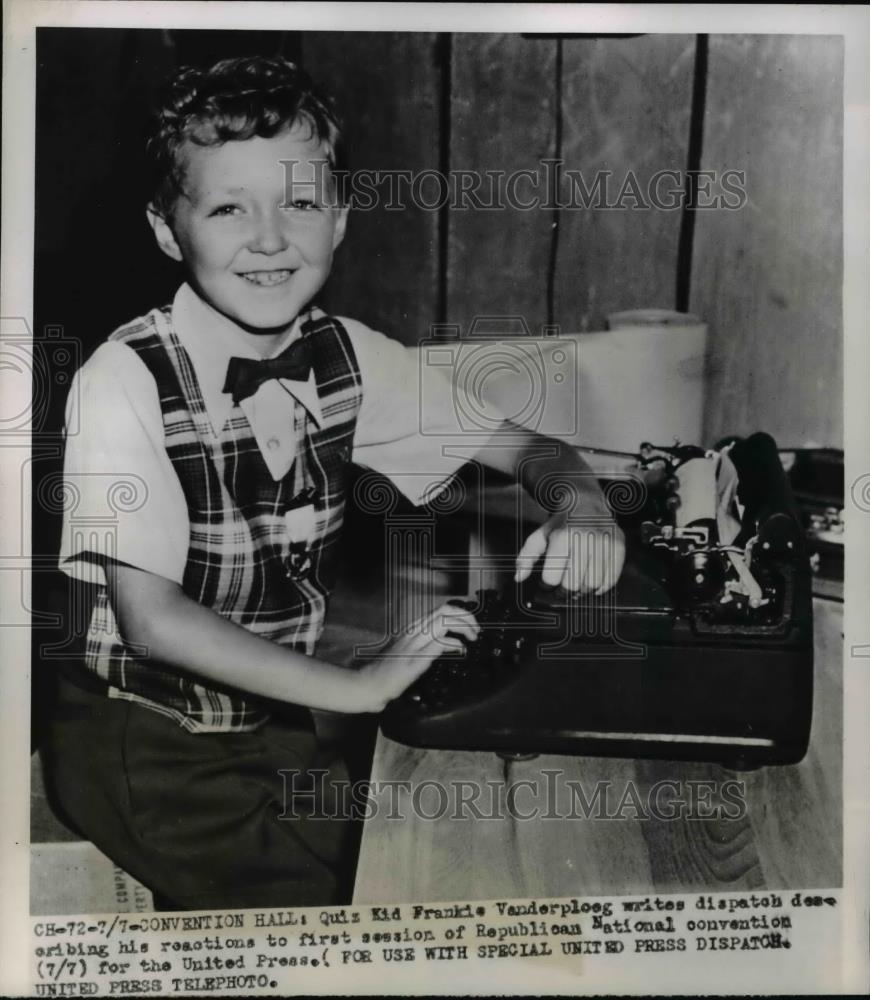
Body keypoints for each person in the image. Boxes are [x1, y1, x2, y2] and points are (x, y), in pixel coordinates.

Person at [44, 55, 625, 910]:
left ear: (342, 219)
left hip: (279, 715)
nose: (271, 238)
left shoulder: (350, 354)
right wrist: (360, 685)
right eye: (228, 207)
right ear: (168, 230)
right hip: (145, 742)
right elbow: (153, 621)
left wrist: (587, 511)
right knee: (335, 913)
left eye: (301, 203)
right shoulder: (121, 379)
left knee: (428, 860)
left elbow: (532, 448)